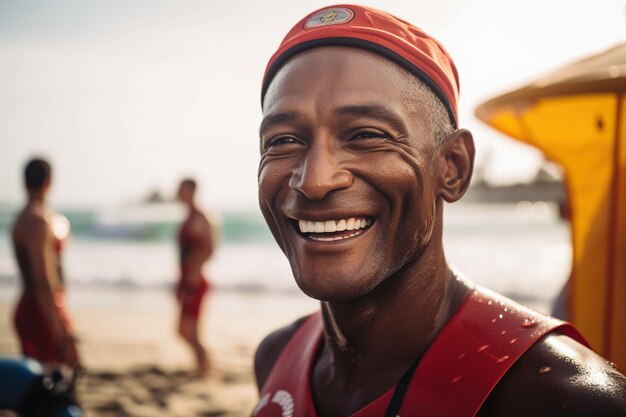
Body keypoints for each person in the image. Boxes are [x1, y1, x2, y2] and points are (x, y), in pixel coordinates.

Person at [252, 5, 626, 416]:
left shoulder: (562, 397)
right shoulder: (275, 354)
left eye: (366, 135)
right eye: (283, 140)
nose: (315, 180)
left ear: (452, 168)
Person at [12, 158, 80, 369]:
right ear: (48, 182)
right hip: (41, 309)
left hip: (35, 305)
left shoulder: (25, 218)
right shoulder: (37, 220)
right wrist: (57, 327)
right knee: (60, 371)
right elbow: (42, 278)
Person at [176, 178, 213, 375]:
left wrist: (192, 274)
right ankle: (203, 366)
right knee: (184, 330)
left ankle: (205, 367)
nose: (178, 192)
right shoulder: (190, 216)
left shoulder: (201, 217)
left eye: (182, 189)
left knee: (188, 329)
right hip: (186, 278)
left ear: (191, 190)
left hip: (195, 279)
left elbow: (209, 249)